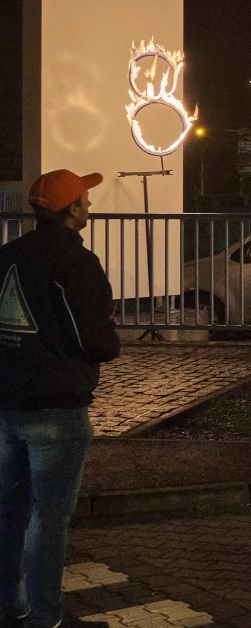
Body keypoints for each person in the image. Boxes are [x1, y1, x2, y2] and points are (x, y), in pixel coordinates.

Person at [0, 170, 120, 628]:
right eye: (85, 200)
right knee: (48, 518)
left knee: (10, 509)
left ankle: (11, 605)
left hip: (8, 405)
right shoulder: (75, 262)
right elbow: (93, 341)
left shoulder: (8, 256)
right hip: (57, 407)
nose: (89, 206)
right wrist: (108, 333)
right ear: (71, 209)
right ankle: (46, 617)